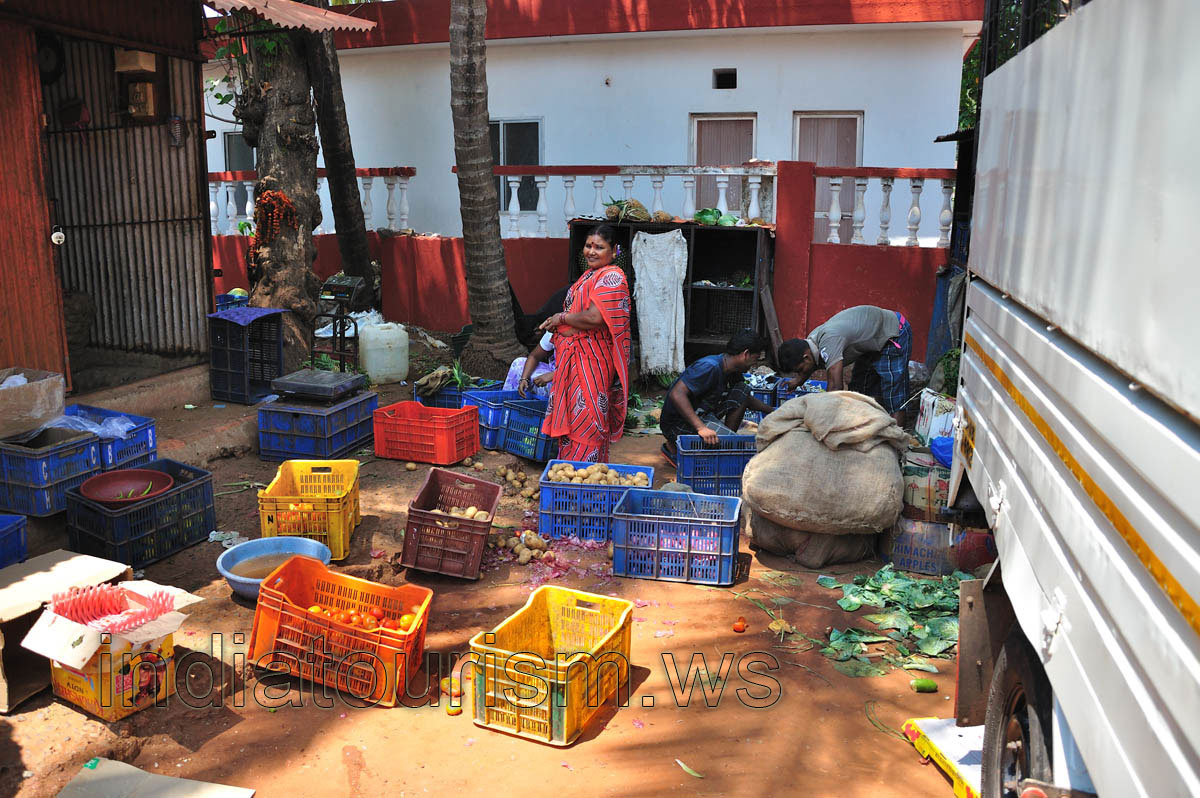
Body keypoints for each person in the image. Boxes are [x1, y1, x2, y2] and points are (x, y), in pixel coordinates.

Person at [538, 225, 632, 462]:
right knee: (572, 417)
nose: (591, 251)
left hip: (593, 360)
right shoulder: (590, 275)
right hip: (575, 358)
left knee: (588, 418)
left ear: (614, 250)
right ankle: (568, 476)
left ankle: (587, 479)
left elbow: (594, 317)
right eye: (589, 245)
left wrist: (561, 318)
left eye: (599, 247)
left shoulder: (612, 277)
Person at [778, 304, 912, 425]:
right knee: (860, 390)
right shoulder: (811, 342)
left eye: (800, 370)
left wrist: (820, 419)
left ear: (806, 357)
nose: (801, 373)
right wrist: (798, 381)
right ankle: (871, 427)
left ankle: (898, 443)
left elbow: (836, 386)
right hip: (869, 341)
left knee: (894, 394)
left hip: (893, 333)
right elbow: (812, 364)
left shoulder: (829, 340)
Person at [658, 329, 773, 466]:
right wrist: (701, 428)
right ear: (745, 354)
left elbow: (744, 397)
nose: (754, 365)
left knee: (742, 389)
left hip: (703, 413)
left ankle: (725, 442)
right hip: (676, 424)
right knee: (725, 450)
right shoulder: (709, 367)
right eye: (755, 359)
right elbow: (677, 394)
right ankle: (673, 447)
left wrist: (772, 410)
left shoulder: (732, 369)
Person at [502, 332, 556, 399]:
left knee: (544, 384)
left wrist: (553, 375)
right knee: (518, 363)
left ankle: (542, 406)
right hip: (554, 369)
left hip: (568, 379)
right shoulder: (554, 330)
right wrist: (524, 379)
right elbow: (534, 356)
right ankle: (508, 403)